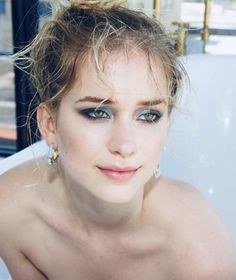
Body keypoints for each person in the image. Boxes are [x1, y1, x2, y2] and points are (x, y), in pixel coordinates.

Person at [0, 0, 235, 279]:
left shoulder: (197, 249)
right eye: (98, 112)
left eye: (148, 116)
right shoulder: (10, 209)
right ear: (50, 125)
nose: (125, 145)